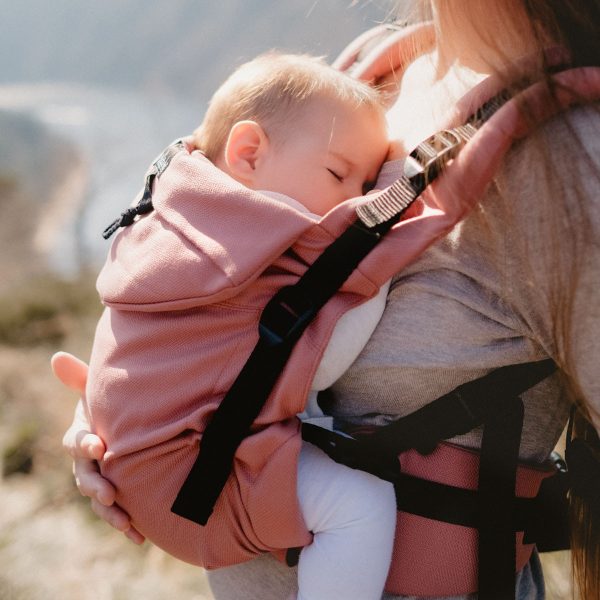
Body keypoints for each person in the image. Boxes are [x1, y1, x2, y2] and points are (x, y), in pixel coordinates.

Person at [57, 1, 600, 599]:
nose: (354, 194)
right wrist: (124, 417)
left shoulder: (575, 156)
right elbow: (204, 295)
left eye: (361, 183)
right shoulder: (366, 77)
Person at [70, 52, 402, 600]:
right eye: (339, 173)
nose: (358, 199)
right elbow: (327, 356)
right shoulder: (249, 255)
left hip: (132, 462)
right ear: (248, 154)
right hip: (191, 479)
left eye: (367, 181)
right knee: (359, 508)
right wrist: (378, 256)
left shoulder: (175, 213)